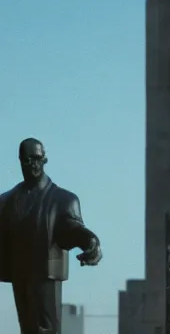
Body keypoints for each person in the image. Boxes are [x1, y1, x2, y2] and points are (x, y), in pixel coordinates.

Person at [0, 138, 103, 334]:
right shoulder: (5, 202)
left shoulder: (62, 200)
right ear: (20, 160)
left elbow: (73, 228)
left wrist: (90, 242)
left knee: (46, 329)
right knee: (27, 329)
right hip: (19, 274)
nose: (33, 164)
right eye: (27, 159)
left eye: (37, 158)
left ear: (45, 159)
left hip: (46, 275)